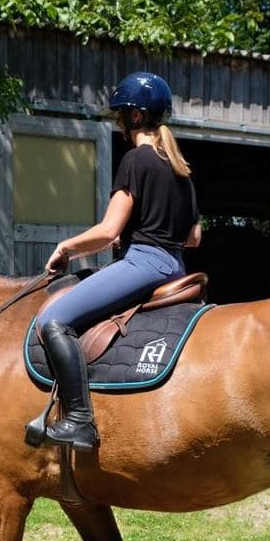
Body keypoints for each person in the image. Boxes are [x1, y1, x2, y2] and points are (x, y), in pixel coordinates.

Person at [34, 71, 201, 451]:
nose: (118, 122)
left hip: (144, 263)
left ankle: (78, 420)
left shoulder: (136, 160)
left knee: (52, 319)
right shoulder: (182, 171)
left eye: (121, 114)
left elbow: (109, 232)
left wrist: (66, 247)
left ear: (136, 117)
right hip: (176, 265)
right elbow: (193, 238)